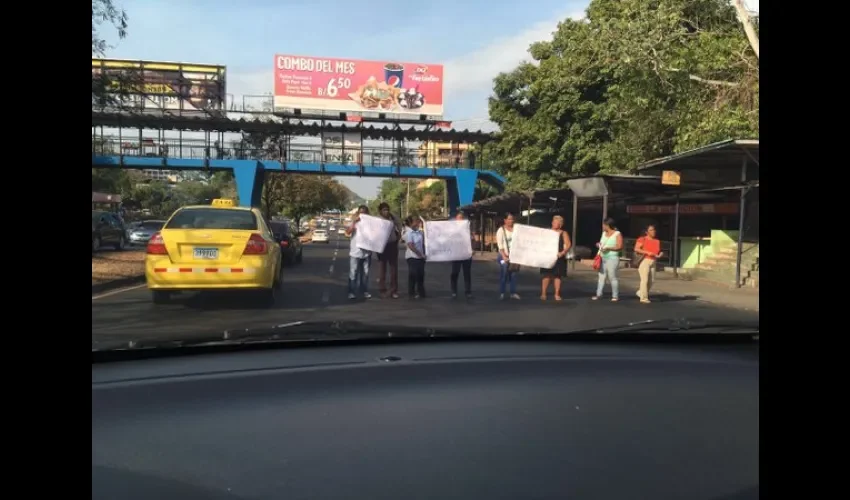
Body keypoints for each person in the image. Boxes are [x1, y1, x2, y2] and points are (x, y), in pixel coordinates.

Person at [540, 215, 572, 301]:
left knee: (557, 276)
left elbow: (568, 245)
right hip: (547, 257)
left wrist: (563, 252)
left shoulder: (564, 233)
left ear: (560, 224)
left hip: (559, 257)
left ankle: (557, 294)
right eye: (553, 222)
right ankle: (543, 293)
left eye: (556, 222)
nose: (553, 223)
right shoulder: (547, 232)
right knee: (546, 275)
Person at [592, 217, 623, 302]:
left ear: (608, 225)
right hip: (602, 257)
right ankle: (598, 294)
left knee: (612, 276)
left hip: (612, 258)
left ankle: (615, 295)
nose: (602, 226)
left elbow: (620, 246)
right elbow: (602, 243)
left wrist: (609, 248)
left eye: (604, 224)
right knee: (601, 276)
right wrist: (599, 244)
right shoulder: (603, 233)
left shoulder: (617, 234)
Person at [345, 205, 372, 300]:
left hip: (366, 253)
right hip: (355, 253)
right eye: (361, 212)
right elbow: (347, 232)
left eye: (364, 212)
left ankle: (364, 291)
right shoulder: (354, 222)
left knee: (365, 273)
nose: (362, 214)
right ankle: (351, 292)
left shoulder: (370, 224)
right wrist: (355, 222)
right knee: (353, 273)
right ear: (358, 213)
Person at [376, 202, 402, 299]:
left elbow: (400, 225)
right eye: (384, 210)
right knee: (382, 269)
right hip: (382, 246)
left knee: (393, 269)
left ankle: (394, 290)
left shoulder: (393, 218)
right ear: (380, 211)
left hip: (392, 245)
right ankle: (382, 290)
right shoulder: (377, 220)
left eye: (387, 209)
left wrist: (399, 235)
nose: (386, 212)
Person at [634, 224, 663, 304]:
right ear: (647, 232)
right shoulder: (642, 239)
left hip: (653, 261)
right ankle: (643, 298)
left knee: (652, 280)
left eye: (654, 230)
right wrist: (647, 252)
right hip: (644, 260)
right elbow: (636, 249)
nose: (653, 231)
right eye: (651, 230)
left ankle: (641, 292)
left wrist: (660, 254)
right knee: (645, 279)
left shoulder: (657, 241)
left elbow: (657, 251)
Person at [495, 212, 520, 300]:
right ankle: (502, 292)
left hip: (514, 256)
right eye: (509, 219)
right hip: (503, 256)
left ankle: (512, 293)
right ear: (505, 220)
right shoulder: (501, 230)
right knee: (504, 273)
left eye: (512, 219)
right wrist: (504, 256)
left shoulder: (516, 230)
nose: (511, 221)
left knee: (513, 275)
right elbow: (500, 245)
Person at [450, 211, 473, 299]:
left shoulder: (467, 228)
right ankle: (454, 291)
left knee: (467, 273)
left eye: (461, 218)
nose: (460, 220)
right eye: (458, 218)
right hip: (456, 254)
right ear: (456, 219)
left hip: (466, 254)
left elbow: (471, 239)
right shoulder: (452, 229)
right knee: (455, 273)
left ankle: (468, 291)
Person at [404, 216, 427, 299]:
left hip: (421, 258)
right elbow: (411, 245)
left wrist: (423, 254)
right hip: (412, 257)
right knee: (413, 274)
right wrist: (420, 254)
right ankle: (411, 292)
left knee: (421, 275)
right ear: (410, 223)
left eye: (418, 221)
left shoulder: (419, 232)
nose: (417, 223)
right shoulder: (408, 233)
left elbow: (425, 242)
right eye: (416, 221)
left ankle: (421, 292)